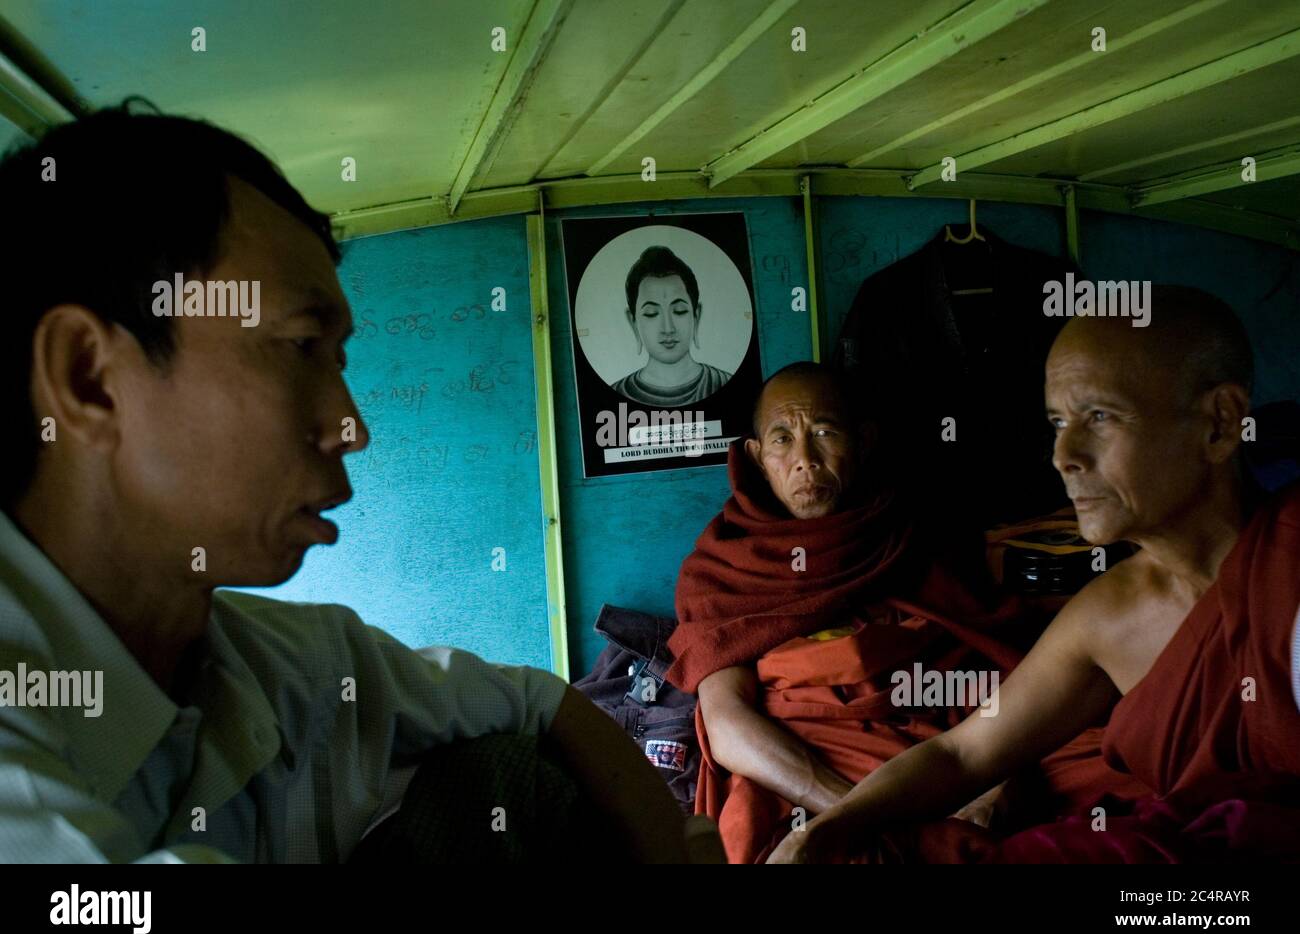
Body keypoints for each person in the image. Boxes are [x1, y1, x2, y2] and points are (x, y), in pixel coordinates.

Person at [0, 100, 691, 864]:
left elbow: (541, 699)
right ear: (89, 378)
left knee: (504, 774)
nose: (352, 426)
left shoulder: (284, 663)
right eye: (299, 347)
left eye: (340, 360)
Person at [770, 286, 1300, 863]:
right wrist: (821, 833)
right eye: (1057, 422)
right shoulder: (1108, 614)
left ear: (1220, 424)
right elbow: (963, 755)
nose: (1063, 454)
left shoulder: (1287, 563)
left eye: (1099, 416)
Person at [665, 361, 1035, 863]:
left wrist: (1001, 783)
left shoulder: (912, 536)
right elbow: (729, 725)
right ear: (755, 457)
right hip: (803, 771)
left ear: (863, 440)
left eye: (824, 432)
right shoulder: (725, 568)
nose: (805, 460)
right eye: (782, 439)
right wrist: (857, 815)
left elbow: (1007, 673)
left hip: (940, 752)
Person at [611, 245, 732, 406]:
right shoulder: (618, 393)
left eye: (680, 311)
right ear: (633, 322)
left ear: (696, 315)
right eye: (651, 313)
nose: (668, 328)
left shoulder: (724, 383)